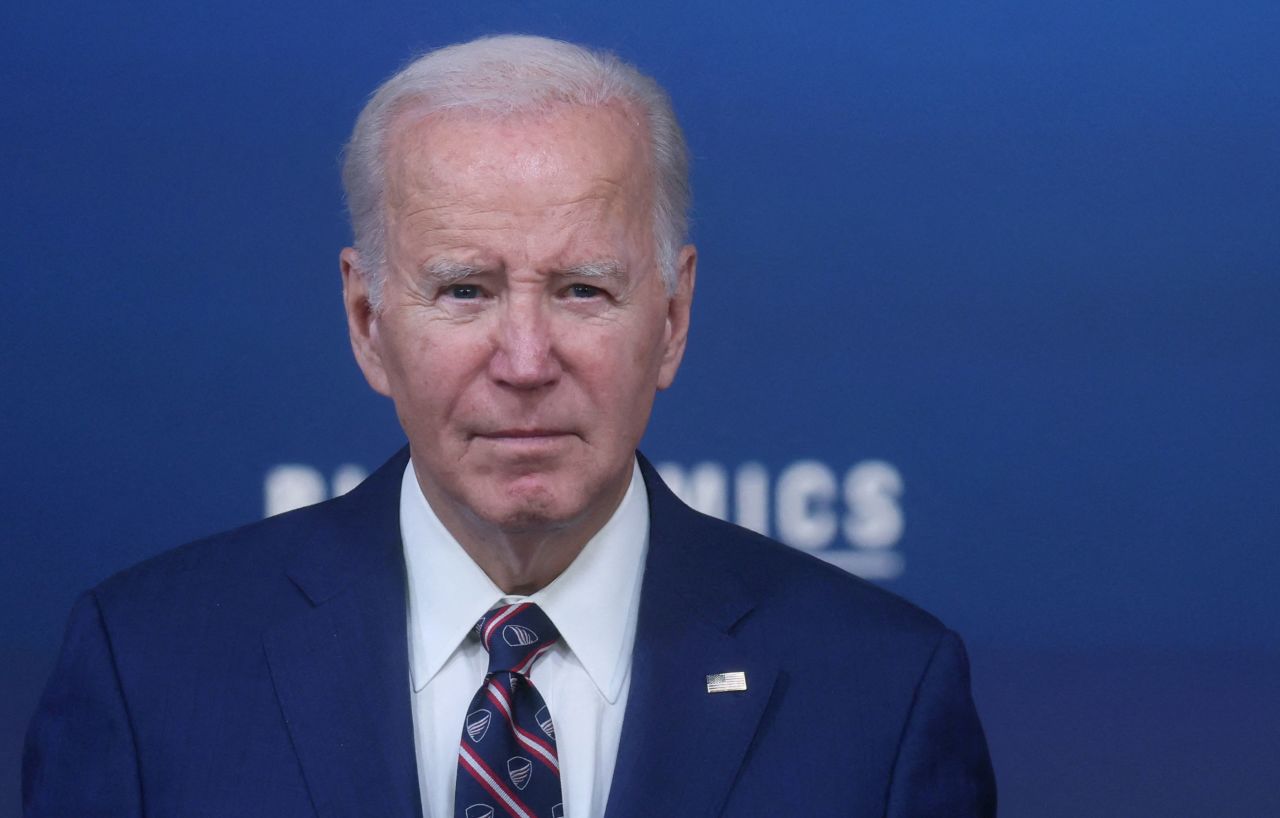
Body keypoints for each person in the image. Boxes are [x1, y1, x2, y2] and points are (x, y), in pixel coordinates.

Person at [24, 35, 996, 817]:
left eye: (582, 289)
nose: (525, 359)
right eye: (463, 289)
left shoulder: (879, 691)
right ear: (367, 322)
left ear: (672, 317)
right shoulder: (147, 670)